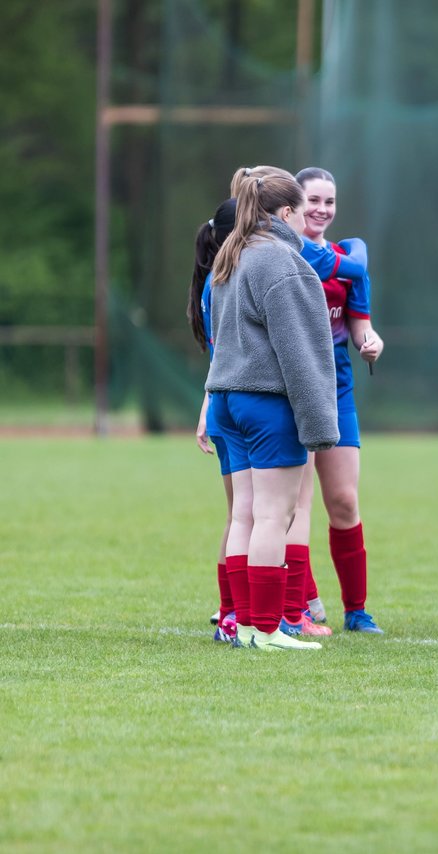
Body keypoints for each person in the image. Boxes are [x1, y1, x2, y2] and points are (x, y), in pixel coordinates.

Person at [205, 165, 339, 651]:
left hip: (227, 400)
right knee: (272, 517)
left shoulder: (231, 255)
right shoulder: (281, 261)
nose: (310, 219)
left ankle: (239, 624)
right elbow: (299, 353)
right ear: (285, 212)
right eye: (304, 210)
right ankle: (264, 628)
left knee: (244, 515)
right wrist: (322, 425)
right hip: (265, 404)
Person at [282, 166, 385, 635]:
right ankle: (298, 602)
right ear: (293, 205)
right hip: (287, 389)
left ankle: (357, 609)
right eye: (313, 201)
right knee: (290, 503)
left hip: (337, 387)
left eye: (330, 201)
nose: (322, 210)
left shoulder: (347, 256)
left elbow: (360, 324)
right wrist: (351, 261)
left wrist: (370, 341)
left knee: (343, 500)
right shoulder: (282, 254)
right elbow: (351, 263)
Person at [188, 198, 241, 643]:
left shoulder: (218, 282)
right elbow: (226, 356)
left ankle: (233, 612)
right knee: (245, 514)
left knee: (240, 514)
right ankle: (235, 613)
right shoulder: (224, 284)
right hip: (237, 404)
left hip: (223, 403)